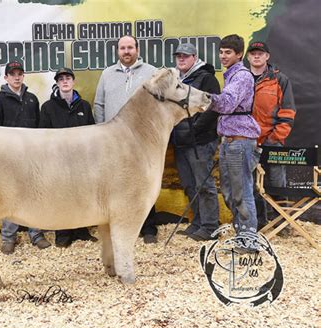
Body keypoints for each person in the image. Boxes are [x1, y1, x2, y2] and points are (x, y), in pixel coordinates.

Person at [93, 35, 159, 244]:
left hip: (142, 140)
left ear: (137, 50)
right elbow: (99, 104)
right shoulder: (107, 74)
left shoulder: (151, 73)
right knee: (115, 182)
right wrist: (102, 131)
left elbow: (159, 104)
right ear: (117, 51)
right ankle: (118, 226)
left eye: (130, 47)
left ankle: (148, 228)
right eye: (122, 48)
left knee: (143, 181)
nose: (126, 51)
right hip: (113, 140)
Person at [0, 61, 51, 254]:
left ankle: (36, 234)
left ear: (23, 76)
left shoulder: (32, 99)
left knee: (34, 194)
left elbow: (39, 130)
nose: (16, 77)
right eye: (12, 74)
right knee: (9, 197)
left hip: (31, 157)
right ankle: (8, 237)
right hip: (8, 159)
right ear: (5, 77)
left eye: (19, 73)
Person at [210, 35, 261, 252]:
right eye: (221, 52)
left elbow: (227, 104)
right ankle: (242, 233)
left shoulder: (241, 76)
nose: (223, 56)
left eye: (228, 52)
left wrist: (200, 98)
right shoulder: (230, 75)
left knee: (242, 192)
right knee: (230, 192)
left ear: (239, 54)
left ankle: (249, 240)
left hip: (240, 142)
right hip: (229, 142)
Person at [39, 67, 98, 247]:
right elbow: (42, 135)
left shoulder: (84, 106)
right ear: (57, 83)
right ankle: (63, 234)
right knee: (60, 196)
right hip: (58, 161)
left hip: (81, 161)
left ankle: (81, 231)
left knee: (81, 195)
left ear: (73, 81)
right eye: (61, 79)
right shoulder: (48, 107)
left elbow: (92, 132)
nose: (65, 81)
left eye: (68, 78)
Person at [171, 43, 221, 241]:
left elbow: (213, 108)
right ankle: (198, 222)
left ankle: (210, 227)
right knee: (190, 185)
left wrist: (195, 129)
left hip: (199, 141)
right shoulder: (177, 80)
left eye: (186, 56)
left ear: (195, 57)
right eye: (179, 56)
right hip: (181, 140)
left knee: (204, 184)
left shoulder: (207, 78)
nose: (181, 59)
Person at [246, 41, 296, 226]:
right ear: (248, 57)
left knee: (277, 183)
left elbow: (288, 112)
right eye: (253, 53)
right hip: (248, 141)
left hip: (273, 142)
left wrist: (274, 137)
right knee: (250, 185)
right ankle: (258, 222)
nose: (256, 56)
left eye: (260, 53)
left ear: (267, 56)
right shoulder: (241, 79)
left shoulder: (279, 79)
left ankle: (281, 224)